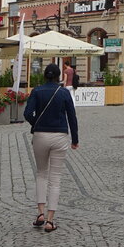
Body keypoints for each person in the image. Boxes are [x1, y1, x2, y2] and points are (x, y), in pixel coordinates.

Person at [23, 62, 78, 233]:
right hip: (60, 136)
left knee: (41, 174)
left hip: (40, 135)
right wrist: (75, 139)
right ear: (58, 76)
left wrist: (36, 124)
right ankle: (50, 220)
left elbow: (27, 113)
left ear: (44, 76)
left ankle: (40, 212)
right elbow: (72, 117)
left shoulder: (37, 91)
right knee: (55, 178)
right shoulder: (63, 92)